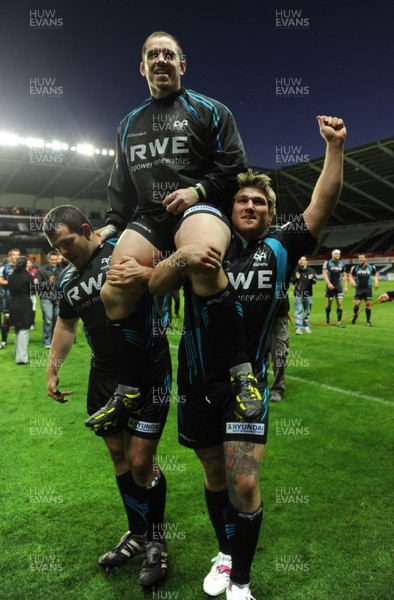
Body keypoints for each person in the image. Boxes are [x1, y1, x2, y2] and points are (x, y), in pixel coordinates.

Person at [148, 115, 346, 600]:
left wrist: (335, 147)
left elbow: (322, 203)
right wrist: (181, 258)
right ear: (228, 207)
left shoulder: (281, 246)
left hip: (249, 386)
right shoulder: (203, 239)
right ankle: (225, 551)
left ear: (270, 211)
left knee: (245, 481)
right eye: (243, 199)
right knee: (215, 476)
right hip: (197, 384)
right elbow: (155, 284)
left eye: (260, 201)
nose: (251, 205)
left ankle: (241, 582)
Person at [91, 30, 262, 432]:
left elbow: (236, 167)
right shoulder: (128, 124)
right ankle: (129, 389)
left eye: (169, 54)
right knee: (112, 289)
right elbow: (120, 187)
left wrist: (197, 190)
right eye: (153, 54)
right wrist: (112, 224)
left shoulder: (210, 110)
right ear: (142, 67)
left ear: (182, 65)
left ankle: (242, 376)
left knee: (202, 260)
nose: (161, 60)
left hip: (199, 206)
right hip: (151, 216)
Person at [43, 205, 172, 591]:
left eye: (67, 242)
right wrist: (52, 368)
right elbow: (66, 323)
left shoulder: (122, 247)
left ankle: (157, 541)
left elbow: (165, 275)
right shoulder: (67, 279)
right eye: (57, 247)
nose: (64, 252)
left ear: (87, 229)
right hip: (104, 376)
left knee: (139, 458)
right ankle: (136, 534)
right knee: (118, 456)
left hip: (147, 366)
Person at [8, 256, 35, 364]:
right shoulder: (28, 276)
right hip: (25, 304)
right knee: (24, 330)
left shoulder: (11, 276)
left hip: (13, 303)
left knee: (17, 329)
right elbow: (32, 291)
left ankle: (17, 353)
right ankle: (22, 358)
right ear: (25, 264)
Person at [36, 250, 62, 347]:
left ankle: (54, 339)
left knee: (57, 319)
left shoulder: (61, 269)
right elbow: (37, 286)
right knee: (47, 320)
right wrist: (48, 282)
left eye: (55, 260)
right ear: (48, 259)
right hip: (46, 297)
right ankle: (46, 340)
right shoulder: (41, 270)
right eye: (52, 260)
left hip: (58, 297)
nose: (54, 262)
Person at [269, 294, 290, 402]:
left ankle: (277, 388)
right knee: (253, 352)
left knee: (279, 353)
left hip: (279, 314)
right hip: (255, 313)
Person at [349, 254, 378, 326]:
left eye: (362, 258)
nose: (360, 259)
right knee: (356, 305)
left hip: (368, 288)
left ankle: (368, 321)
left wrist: (376, 282)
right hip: (358, 289)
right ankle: (355, 316)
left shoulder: (371, 267)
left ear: (365, 259)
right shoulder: (355, 267)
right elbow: (350, 276)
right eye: (359, 258)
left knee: (368, 304)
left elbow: (375, 274)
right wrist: (352, 282)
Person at [0, 248, 21, 349]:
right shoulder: (4, 268)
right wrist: (14, 283)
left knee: (18, 319)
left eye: (18, 255)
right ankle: (4, 341)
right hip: (7, 297)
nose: (16, 257)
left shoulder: (21, 268)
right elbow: (1, 281)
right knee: (6, 319)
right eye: (14, 255)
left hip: (19, 297)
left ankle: (18, 341)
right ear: (10, 256)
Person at [290, 256, 317, 334]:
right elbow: (292, 281)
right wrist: (296, 278)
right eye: (300, 260)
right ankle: (298, 327)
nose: (302, 261)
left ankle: (306, 326)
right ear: (298, 262)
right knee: (298, 311)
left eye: (303, 260)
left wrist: (311, 279)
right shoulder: (295, 270)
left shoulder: (312, 270)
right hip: (298, 293)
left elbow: (315, 281)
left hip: (308, 294)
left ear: (306, 262)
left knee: (307, 311)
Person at [322, 248, 348, 327]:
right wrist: (328, 284)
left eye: (339, 254)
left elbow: (344, 275)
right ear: (332, 254)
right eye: (336, 254)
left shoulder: (342, 263)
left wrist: (346, 286)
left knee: (339, 303)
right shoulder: (327, 263)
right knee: (328, 304)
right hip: (329, 287)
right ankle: (327, 320)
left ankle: (339, 322)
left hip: (338, 287)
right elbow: (324, 274)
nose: (337, 255)